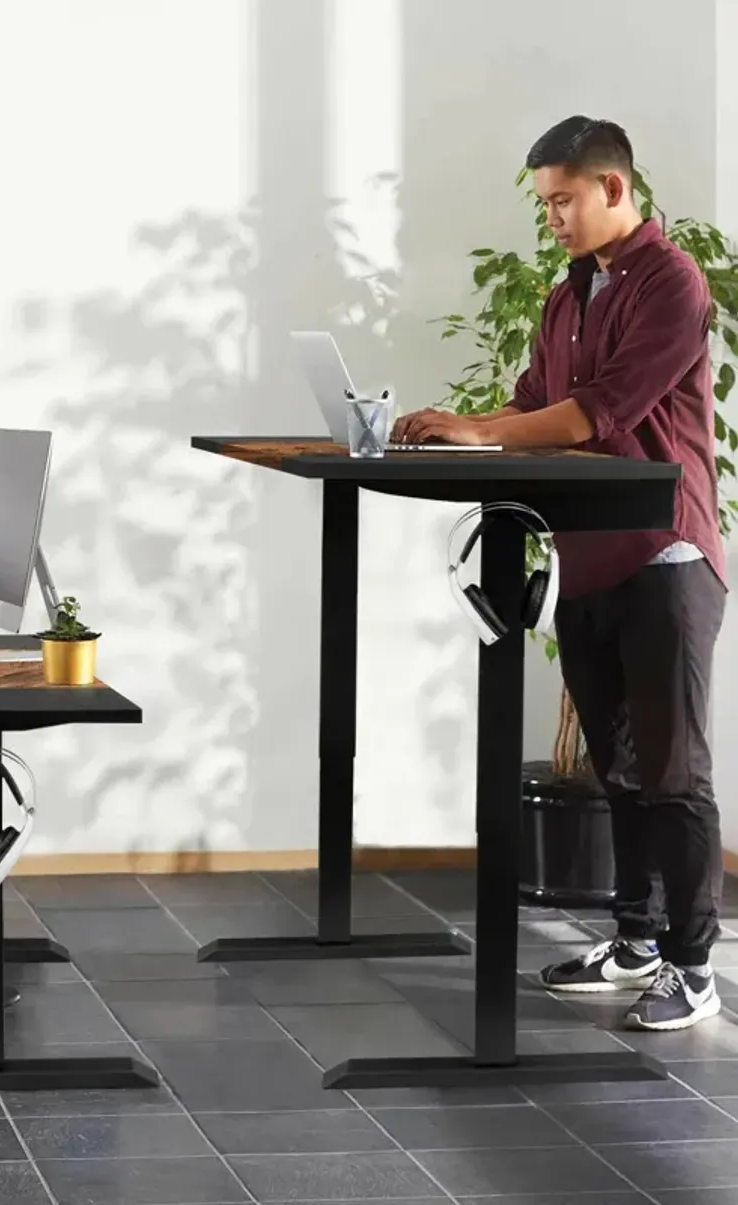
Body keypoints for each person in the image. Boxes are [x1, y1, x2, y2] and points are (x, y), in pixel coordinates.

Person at [395, 116, 727, 1031]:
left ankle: (693, 965)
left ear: (614, 188)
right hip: (585, 556)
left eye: (564, 200)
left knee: (672, 770)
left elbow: (597, 413)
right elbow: (531, 405)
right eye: (545, 205)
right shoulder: (564, 294)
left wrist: (482, 431)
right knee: (619, 768)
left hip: (664, 552)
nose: (553, 220)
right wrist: (455, 428)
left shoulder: (672, 282)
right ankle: (635, 939)